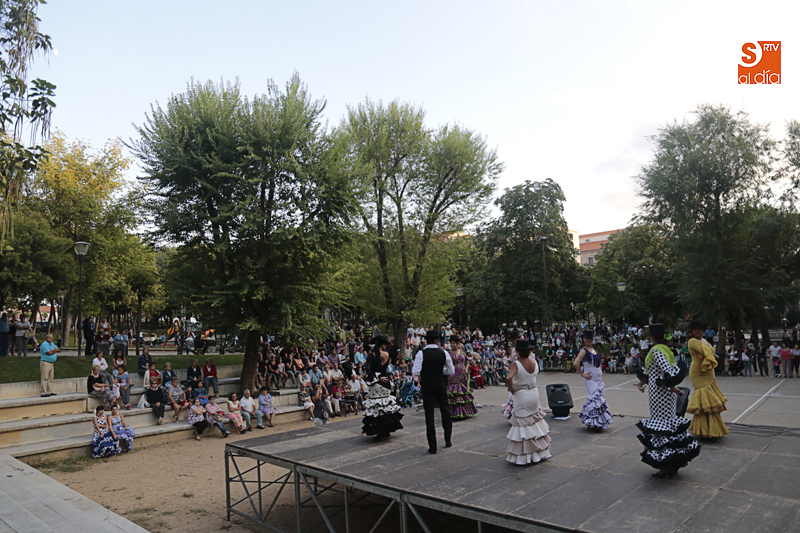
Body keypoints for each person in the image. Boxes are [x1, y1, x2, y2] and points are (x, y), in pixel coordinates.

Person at [635, 324, 700, 478]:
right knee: (669, 426)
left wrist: (671, 386)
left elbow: (667, 370)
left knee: (662, 428)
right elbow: (660, 372)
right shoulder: (666, 350)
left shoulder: (656, 351)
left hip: (659, 396)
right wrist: (672, 387)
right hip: (665, 394)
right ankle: (672, 462)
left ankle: (665, 464)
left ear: (652, 338)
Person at [505, 340, 552, 465]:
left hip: (522, 395)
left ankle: (526, 456)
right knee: (534, 421)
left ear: (518, 351)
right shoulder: (534, 362)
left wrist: (511, 388)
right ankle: (539, 452)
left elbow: (508, 378)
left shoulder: (516, 364)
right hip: (534, 393)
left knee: (522, 424)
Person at [412, 330, 455, 454]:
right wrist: (440, 372)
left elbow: (415, 372)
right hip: (440, 384)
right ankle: (448, 440)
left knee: (429, 414)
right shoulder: (443, 352)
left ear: (427, 341)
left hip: (427, 384)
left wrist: (427, 372)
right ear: (437, 340)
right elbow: (451, 371)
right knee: (445, 410)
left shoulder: (421, 353)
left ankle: (433, 447)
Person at [685, 320, 729, 440]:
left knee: (709, 402)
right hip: (699, 373)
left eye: (699, 329)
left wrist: (713, 355)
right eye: (695, 329)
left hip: (709, 372)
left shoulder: (703, 340)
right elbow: (705, 351)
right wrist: (712, 355)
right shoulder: (692, 341)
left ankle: (711, 429)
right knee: (704, 400)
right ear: (691, 331)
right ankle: (706, 430)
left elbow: (707, 352)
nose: (698, 331)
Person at [361, 336, 404, 439]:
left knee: (377, 408)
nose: (385, 347)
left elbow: (368, 370)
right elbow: (384, 368)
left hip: (376, 383)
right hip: (386, 383)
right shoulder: (387, 355)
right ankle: (386, 430)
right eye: (385, 345)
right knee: (385, 407)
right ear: (382, 345)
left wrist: (377, 377)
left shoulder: (371, 355)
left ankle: (379, 431)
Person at [573, 330, 612, 431]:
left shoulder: (594, 349)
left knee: (599, 400)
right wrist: (582, 374)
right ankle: (594, 422)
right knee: (595, 399)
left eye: (590, 338)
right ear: (583, 339)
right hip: (590, 379)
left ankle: (598, 422)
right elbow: (576, 363)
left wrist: (601, 371)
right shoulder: (583, 351)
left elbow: (599, 361)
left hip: (598, 378)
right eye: (587, 338)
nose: (589, 340)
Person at [445, 335, 477, 420]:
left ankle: (465, 412)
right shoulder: (449, 354)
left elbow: (468, 360)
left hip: (462, 374)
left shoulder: (462, 352)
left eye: (454, 343)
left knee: (463, 391)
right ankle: (455, 413)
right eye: (451, 343)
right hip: (453, 375)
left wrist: (466, 368)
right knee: (455, 392)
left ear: (458, 343)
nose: (452, 345)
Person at [39, 333, 60, 397]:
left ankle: (49, 391)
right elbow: (49, 353)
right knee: (45, 378)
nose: (51, 339)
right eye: (49, 337)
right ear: (46, 338)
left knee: (50, 378)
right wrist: (54, 350)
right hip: (45, 363)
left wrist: (53, 350)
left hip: (51, 363)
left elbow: (58, 349)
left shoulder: (52, 344)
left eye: (52, 337)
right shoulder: (44, 344)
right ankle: (43, 392)